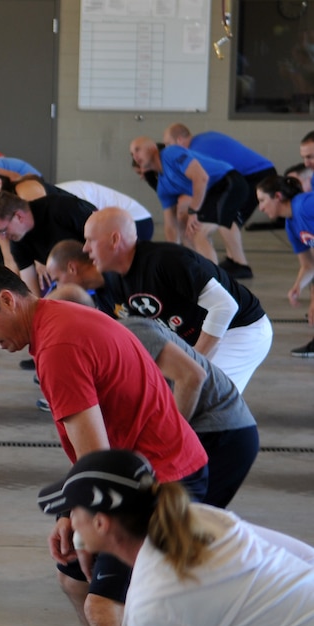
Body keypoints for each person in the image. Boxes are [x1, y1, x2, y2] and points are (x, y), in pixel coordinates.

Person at [0, 261, 208, 626]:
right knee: (74, 579)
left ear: (8, 300)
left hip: (162, 482)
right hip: (135, 473)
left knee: (105, 607)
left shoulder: (58, 346)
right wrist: (72, 515)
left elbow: (97, 460)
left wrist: (86, 528)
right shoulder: (55, 323)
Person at [37, 449, 314, 626]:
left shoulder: (156, 604)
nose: (69, 520)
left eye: (73, 510)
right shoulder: (195, 518)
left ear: (101, 523)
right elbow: (305, 558)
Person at [51, 282, 259, 509]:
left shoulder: (129, 331)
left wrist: (172, 439)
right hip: (208, 432)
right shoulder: (89, 355)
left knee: (175, 530)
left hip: (221, 431)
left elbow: (192, 377)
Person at [82, 207, 272, 392]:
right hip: (203, 337)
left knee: (201, 397)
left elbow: (225, 306)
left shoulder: (166, 261)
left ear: (114, 240)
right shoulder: (114, 281)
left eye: (90, 240)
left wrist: (192, 361)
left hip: (241, 329)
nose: (85, 248)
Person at [130, 136, 253, 277]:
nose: (135, 156)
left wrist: (193, 211)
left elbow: (201, 178)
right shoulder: (164, 187)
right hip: (212, 192)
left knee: (199, 232)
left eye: (137, 150)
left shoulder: (170, 153)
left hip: (229, 183)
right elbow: (171, 225)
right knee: (190, 232)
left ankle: (215, 281)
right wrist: (172, 254)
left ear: (152, 147)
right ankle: (199, 271)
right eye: (132, 153)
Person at [163, 123, 277, 238]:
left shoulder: (197, 151)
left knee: (231, 220)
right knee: (224, 218)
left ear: (179, 140)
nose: (168, 149)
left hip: (257, 175)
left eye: (168, 144)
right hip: (250, 173)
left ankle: (233, 256)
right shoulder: (203, 138)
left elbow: (201, 182)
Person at [0, 190, 96, 294]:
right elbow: (32, 292)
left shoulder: (61, 208)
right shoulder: (17, 242)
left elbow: (103, 240)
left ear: (19, 216)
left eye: (3, 230)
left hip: (100, 269)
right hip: (73, 282)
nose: (3, 238)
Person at [256, 175, 314, 358]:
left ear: (278, 196)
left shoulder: (304, 205)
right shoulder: (291, 224)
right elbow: (308, 265)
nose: (261, 207)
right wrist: (298, 287)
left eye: (263, 200)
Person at [55, 180, 155, 241]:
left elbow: (88, 223)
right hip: (125, 220)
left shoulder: (66, 195)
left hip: (138, 220)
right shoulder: (55, 196)